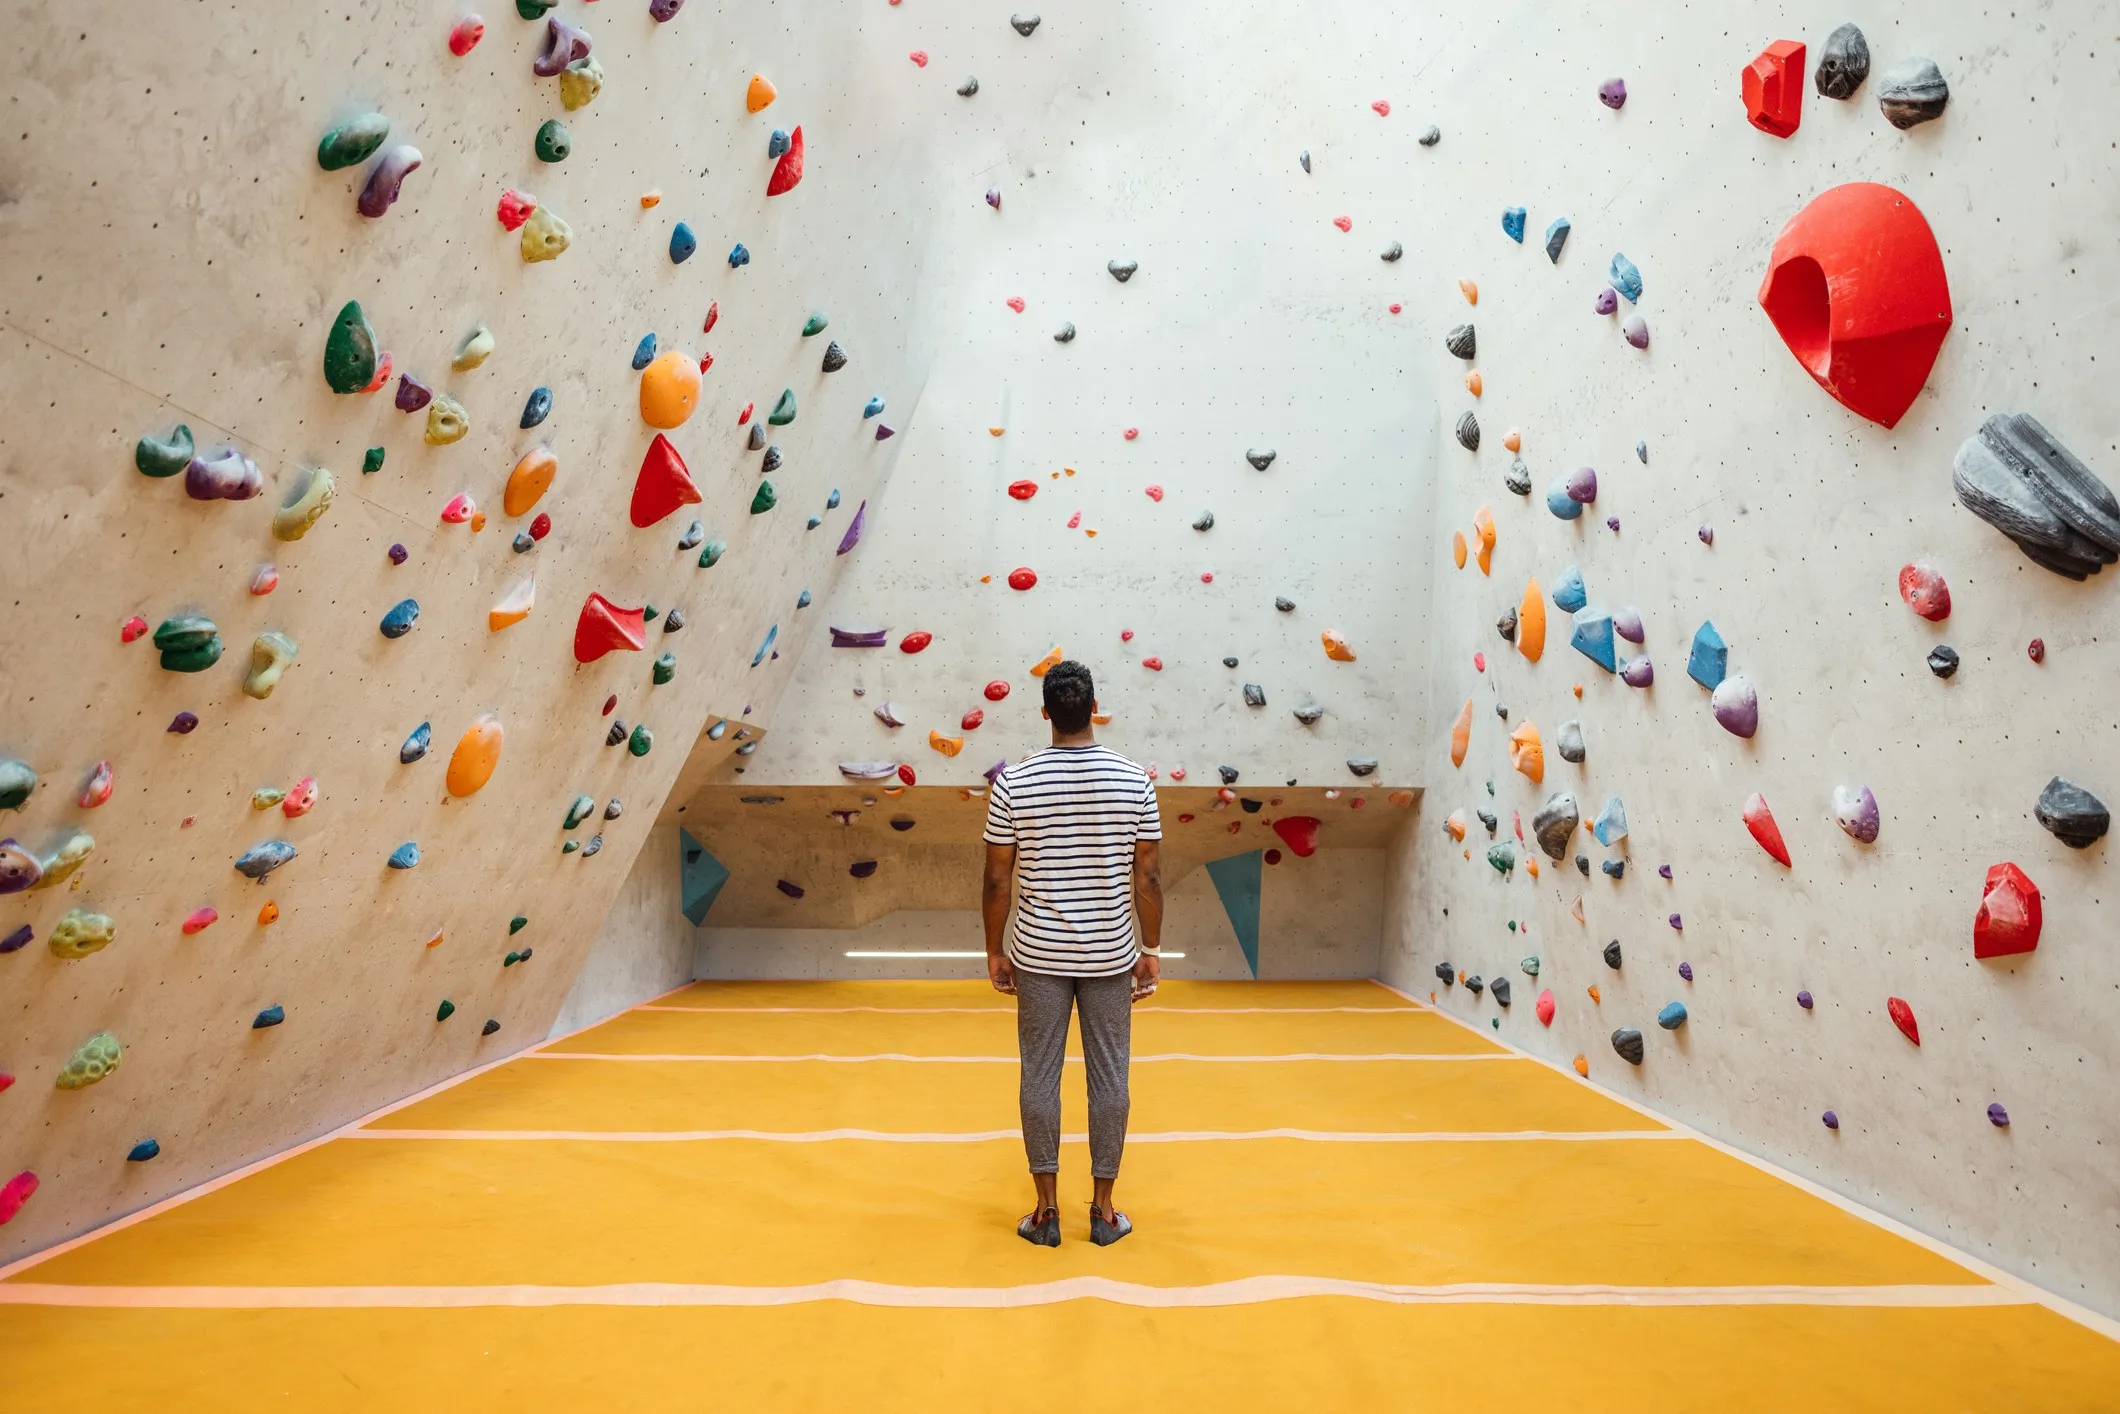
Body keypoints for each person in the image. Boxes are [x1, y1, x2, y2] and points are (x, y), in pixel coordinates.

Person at [981, 660, 1163, 1248]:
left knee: (1039, 1077)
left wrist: (994, 951)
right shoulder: (1135, 781)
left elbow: (995, 880)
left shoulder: (1013, 782)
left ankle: (1045, 1212)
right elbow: (1150, 877)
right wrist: (1151, 949)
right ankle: (1105, 1214)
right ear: (1094, 710)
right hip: (1111, 955)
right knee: (1111, 1079)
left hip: (1037, 954)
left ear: (1045, 714)